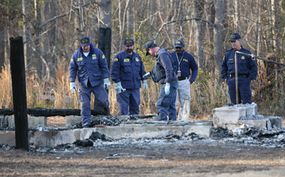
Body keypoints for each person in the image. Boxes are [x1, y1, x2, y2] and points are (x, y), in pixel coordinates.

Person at [69, 36, 111, 127]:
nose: (86, 47)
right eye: (84, 46)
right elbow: (72, 69)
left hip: (97, 82)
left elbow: (104, 66)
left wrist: (106, 79)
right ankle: (86, 123)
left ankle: (107, 118)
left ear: (90, 44)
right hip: (84, 84)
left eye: (87, 46)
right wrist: (72, 82)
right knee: (85, 104)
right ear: (81, 45)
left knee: (104, 101)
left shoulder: (97, 52)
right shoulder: (76, 55)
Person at [111, 38, 148, 115]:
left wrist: (144, 80)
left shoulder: (137, 57)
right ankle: (124, 126)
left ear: (133, 46)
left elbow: (142, 71)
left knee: (135, 108)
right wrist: (117, 83)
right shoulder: (119, 57)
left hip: (135, 87)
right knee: (123, 109)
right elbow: (114, 72)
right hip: (123, 88)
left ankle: (134, 125)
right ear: (124, 46)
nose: (129, 48)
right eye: (127, 46)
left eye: (130, 46)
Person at [144, 40, 178, 121]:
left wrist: (168, 83)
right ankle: (173, 125)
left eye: (149, 52)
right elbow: (160, 69)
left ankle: (161, 125)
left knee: (161, 104)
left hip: (168, 83)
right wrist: (150, 74)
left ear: (151, 49)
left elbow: (168, 69)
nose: (150, 55)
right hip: (171, 83)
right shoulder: (161, 54)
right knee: (170, 106)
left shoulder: (162, 54)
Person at [221, 32, 257, 104]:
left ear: (239, 41)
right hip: (232, 81)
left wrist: (249, 79)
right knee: (234, 103)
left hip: (244, 80)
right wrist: (226, 79)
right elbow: (223, 67)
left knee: (247, 103)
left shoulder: (246, 53)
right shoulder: (228, 54)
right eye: (231, 41)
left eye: (234, 41)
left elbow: (253, 67)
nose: (233, 43)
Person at [170, 39, 198, 121]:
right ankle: (173, 119)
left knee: (185, 101)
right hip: (173, 81)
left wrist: (192, 79)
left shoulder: (188, 56)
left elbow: (195, 68)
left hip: (184, 81)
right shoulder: (171, 56)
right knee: (173, 102)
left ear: (183, 47)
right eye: (176, 48)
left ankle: (184, 120)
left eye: (179, 48)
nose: (178, 49)